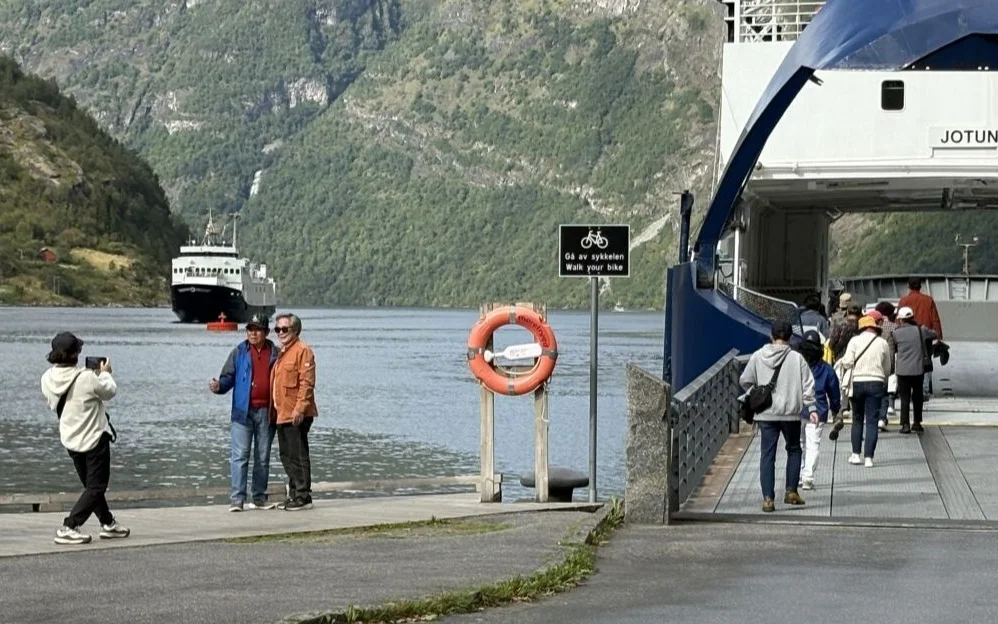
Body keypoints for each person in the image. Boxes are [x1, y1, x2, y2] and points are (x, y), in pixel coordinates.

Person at [40, 332, 130, 545]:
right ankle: (70, 526)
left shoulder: (46, 378)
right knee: (97, 487)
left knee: (91, 487)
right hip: (94, 438)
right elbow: (110, 391)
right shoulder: (87, 377)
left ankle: (108, 524)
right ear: (75, 355)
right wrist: (105, 373)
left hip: (70, 438)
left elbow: (52, 402)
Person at [739, 321, 818, 513]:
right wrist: (812, 407)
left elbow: (745, 380)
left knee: (767, 455)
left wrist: (757, 391)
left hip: (766, 414)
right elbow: (808, 384)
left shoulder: (758, 356)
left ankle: (768, 499)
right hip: (790, 413)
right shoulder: (797, 358)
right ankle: (791, 491)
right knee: (794, 450)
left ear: (771, 335)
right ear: (790, 337)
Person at [210, 314, 279, 512]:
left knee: (263, 456)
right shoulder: (238, 352)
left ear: (266, 332)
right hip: (242, 412)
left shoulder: (276, 353)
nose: (253, 333)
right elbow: (227, 378)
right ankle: (237, 499)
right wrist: (218, 387)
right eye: (250, 329)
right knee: (240, 455)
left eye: (257, 329)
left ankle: (258, 498)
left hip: (267, 412)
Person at [271, 313, 318, 511]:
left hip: (297, 413)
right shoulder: (283, 352)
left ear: (295, 330)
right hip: (282, 412)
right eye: (277, 329)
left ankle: (303, 495)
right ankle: (294, 493)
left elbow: (307, 382)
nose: (280, 333)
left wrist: (300, 408)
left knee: (298, 454)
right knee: (286, 455)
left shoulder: (303, 350)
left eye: (284, 329)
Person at [840, 316, 892, 467]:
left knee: (857, 419)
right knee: (872, 420)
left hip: (857, 382)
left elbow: (848, 361)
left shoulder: (854, 341)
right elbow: (888, 367)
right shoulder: (882, 343)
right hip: (876, 382)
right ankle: (869, 457)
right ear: (874, 328)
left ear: (861, 328)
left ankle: (856, 455)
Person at [796, 330, 840, 491]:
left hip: (796, 409)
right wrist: (836, 411)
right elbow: (834, 394)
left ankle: (799, 474)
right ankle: (808, 477)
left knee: (797, 444)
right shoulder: (826, 369)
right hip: (818, 410)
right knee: (813, 445)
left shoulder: (797, 365)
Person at [893, 306, 937, 434]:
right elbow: (934, 335)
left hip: (902, 370)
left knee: (904, 398)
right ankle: (917, 423)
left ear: (900, 320)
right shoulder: (921, 330)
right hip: (918, 369)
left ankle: (905, 424)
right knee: (917, 397)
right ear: (912, 318)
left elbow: (894, 346)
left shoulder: (896, 333)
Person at [898, 277, 943, 398]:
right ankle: (924, 390)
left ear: (908, 286)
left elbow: (898, 320)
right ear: (920, 286)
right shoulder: (928, 300)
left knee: (907, 360)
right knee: (926, 361)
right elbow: (935, 319)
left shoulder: (903, 301)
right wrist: (938, 336)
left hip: (907, 336)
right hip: (925, 336)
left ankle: (909, 388)